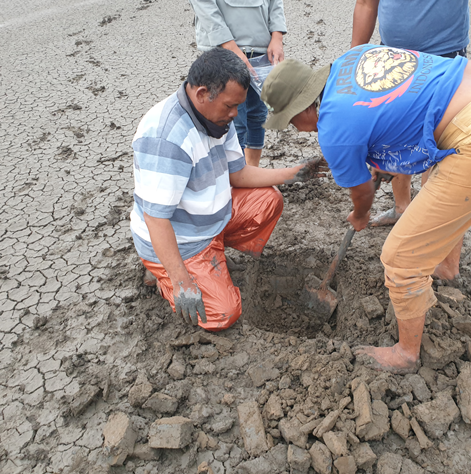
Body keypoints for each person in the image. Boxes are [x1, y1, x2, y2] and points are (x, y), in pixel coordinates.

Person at [261, 45, 471, 373]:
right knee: (440, 191)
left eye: (291, 120)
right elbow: (402, 109)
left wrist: (361, 215)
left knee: (400, 257)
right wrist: (385, 161)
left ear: (303, 106)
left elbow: (361, 192)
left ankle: (406, 354)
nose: (296, 129)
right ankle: (447, 268)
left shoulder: (334, 128)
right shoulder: (352, 59)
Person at [130, 48, 326, 331]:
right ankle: (162, 275)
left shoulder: (217, 119)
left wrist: (294, 174)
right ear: (201, 94)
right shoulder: (167, 140)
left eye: (238, 106)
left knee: (268, 201)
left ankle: (214, 256)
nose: (236, 115)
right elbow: (156, 218)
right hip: (182, 240)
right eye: (229, 107)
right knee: (223, 313)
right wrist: (182, 281)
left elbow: (239, 173)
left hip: (210, 221)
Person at [351, 0, 471, 226]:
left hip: (444, 57)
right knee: (395, 137)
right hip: (393, 58)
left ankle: (428, 222)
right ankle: (401, 208)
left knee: (438, 140)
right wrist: (353, 59)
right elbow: (365, 1)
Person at [185, 0, 287, 166]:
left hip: (261, 47)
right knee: (232, 118)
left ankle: (251, 171)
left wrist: (277, 35)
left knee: (258, 114)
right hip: (222, 48)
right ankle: (232, 176)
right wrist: (228, 44)